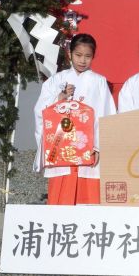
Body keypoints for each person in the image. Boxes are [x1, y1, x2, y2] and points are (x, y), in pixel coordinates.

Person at [33, 33, 117, 205]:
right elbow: (40, 110)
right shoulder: (57, 81)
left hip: (88, 147)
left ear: (93, 57)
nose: (82, 60)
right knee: (61, 196)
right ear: (70, 53)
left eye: (88, 56)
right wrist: (59, 98)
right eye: (78, 55)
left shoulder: (99, 82)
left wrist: (99, 146)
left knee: (89, 198)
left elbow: (107, 115)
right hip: (61, 145)